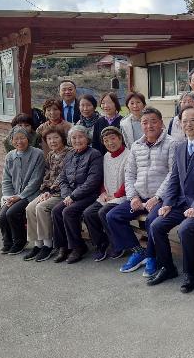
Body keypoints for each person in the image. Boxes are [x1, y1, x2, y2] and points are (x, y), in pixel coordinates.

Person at [147, 107, 194, 292]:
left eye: (193, 120)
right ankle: (167, 267)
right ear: (179, 123)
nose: (188, 124)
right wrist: (168, 203)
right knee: (156, 225)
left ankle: (190, 273)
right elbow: (174, 178)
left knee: (186, 229)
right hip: (181, 202)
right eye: (184, 121)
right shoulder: (179, 147)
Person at [105, 107, 175, 277]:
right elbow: (130, 174)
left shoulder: (172, 143)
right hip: (139, 197)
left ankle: (152, 256)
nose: (149, 125)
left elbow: (173, 174)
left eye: (153, 121)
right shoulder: (136, 146)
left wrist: (157, 197)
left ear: (161, 124)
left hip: (160, 199)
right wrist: (133, 197)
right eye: (145, 122)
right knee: (113, 216)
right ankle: (139, 251)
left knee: (152, 220)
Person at [51, 125, 103, 264]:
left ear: (87, 138)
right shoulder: (69, 155)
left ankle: (78, 247)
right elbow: (63, 179)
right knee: (56, 210)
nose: (77, 140)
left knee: (69, 211)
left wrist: (73, 197)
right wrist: (68, 195)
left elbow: (93, 180)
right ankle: (63, 247)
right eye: (73, 137)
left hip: (89, 195)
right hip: (71, 196)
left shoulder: (94, 154)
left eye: (80, 136)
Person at [23, 127, 72, 262]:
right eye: (49, 139)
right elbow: (47, 175)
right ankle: (38, 244)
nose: (52, 141)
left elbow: (64, 176)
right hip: (49, 192)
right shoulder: (50, 155)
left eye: (55, 137)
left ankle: (48, 245)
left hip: (63, 192)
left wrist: (50, 191)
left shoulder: (70, 153)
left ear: (62, 138)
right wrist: (44, 191)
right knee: (30, 207)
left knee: (41, 207)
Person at [82, 127, 130, 262]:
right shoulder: (106, 156)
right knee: (88, 213)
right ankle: (101, 243)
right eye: (106, 140)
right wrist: (103, 192)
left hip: (123, 197)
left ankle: (118, 245)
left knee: (103, 213)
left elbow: (130, 181)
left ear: (120, 139)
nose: (110, 143)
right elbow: (103, 178)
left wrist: (116, 195)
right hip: (107, 195)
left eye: (113, 139)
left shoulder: (129, 155)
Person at [0, 126, 45, 255]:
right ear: (11, 141)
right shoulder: (10, 156)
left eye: (22, 138)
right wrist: (8, 197)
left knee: (12, 213)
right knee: (2, 217)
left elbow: (36, 180)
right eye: (16, 139)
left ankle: (20, 241)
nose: (19, 141)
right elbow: (6, 179)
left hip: (31, 194)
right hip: (13, 196)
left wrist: (20, 196)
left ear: (28, 138)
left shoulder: (37, 154)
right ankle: (8, 243)